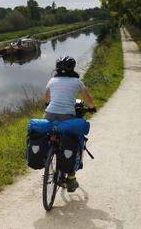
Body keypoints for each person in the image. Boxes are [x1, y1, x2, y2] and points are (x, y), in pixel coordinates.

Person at [44, 55, 96, 192]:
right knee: (76, 140)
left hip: (48, 115)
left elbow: (47, 97)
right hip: (67, 116)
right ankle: (71, 177)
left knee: (49, 134)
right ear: (72, 68)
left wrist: (48, 104)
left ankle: (49, 152)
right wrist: (91, 108)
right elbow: (88, 99)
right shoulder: (77, 82)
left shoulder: (52, 80)